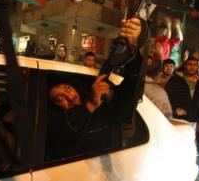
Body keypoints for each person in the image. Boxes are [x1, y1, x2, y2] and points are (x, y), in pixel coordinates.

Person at [46, 17, 143, 159]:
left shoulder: (101, 102)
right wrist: (90, 104)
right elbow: (64, 130)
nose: (68, 96)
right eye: (59, 97)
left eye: (67, 89)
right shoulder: (58, 126)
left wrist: (132, 45)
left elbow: (130, 89)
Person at [164, 56, 199, 176]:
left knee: (190, 148)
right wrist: (175, 108)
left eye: (195, 64)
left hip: (194, 120)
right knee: (176, 146)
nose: (192, 67)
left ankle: (185, 171)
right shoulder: (174, 81)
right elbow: (166, 98)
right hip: (178, 120)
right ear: (185, 65)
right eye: (189, 64)